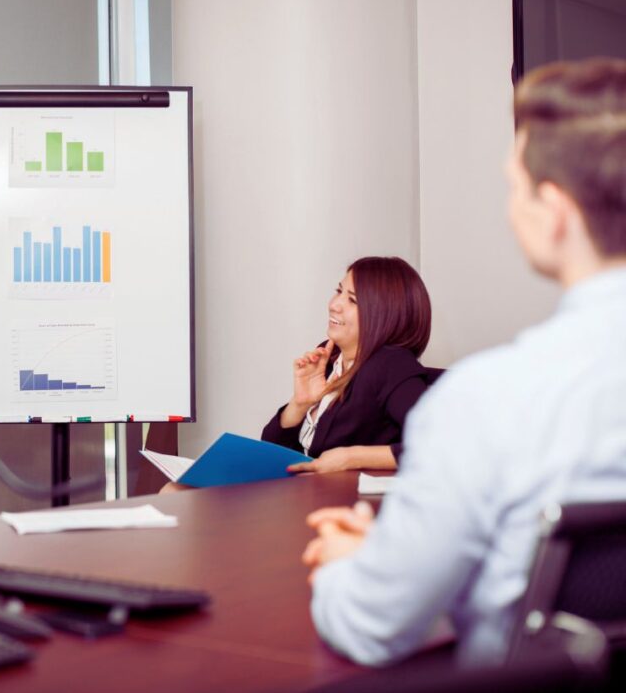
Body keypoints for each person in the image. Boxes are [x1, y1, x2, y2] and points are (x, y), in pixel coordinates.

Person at [302, 57, 626, 666]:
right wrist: (403, 550)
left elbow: (372, 625)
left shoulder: (490, 403)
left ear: (553, 214)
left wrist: (353, 568)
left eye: (515, 185)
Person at [261, 256, 434, 474]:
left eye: (353, 300)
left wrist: (351, 458)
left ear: (384, 315)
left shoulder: (392, 365)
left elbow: (436, 444)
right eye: (338, 291)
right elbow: (270, 451)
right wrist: (299, 404)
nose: (334, 305)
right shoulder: (329, 356)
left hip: (346, 502)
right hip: (302, 494)